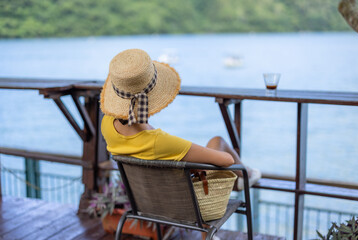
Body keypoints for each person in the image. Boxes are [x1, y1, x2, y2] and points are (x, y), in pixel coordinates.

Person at [100, 48, 261, 192]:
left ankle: (244, 177)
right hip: (190, 206)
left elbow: (141, 139)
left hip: (149, 202)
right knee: (218, 142)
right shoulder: (159, 141)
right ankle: (246, 175)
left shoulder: (106, 124)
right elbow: (227, 160)